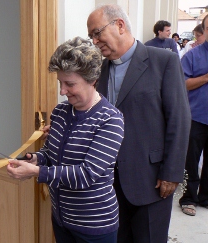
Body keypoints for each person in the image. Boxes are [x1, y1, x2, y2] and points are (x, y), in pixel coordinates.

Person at [87, 4, 191, 243]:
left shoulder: (163, 61)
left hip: (151, 180)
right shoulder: (100, 71)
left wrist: (172, 173)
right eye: (91, 35)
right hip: (108, 185)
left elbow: (179, 119)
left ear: (119, 25)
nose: (94, 41)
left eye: (96, 32)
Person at [7, 36, 125, 243]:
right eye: (60, 83)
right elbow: (52, 153)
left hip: (94, 225)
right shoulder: (61, 111)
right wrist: (36, 158)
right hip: (62, 219)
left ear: (92, 79)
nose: (62, 91)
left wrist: (37, 172)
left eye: (70, 84)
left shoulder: (110, 119)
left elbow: (86, 174)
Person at [179, 15, 208, 217]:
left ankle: (205, 197)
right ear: (205, 30)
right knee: (191, 160)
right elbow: (182, 83)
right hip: (196, 117)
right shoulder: (193, 55)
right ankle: (188, 198)